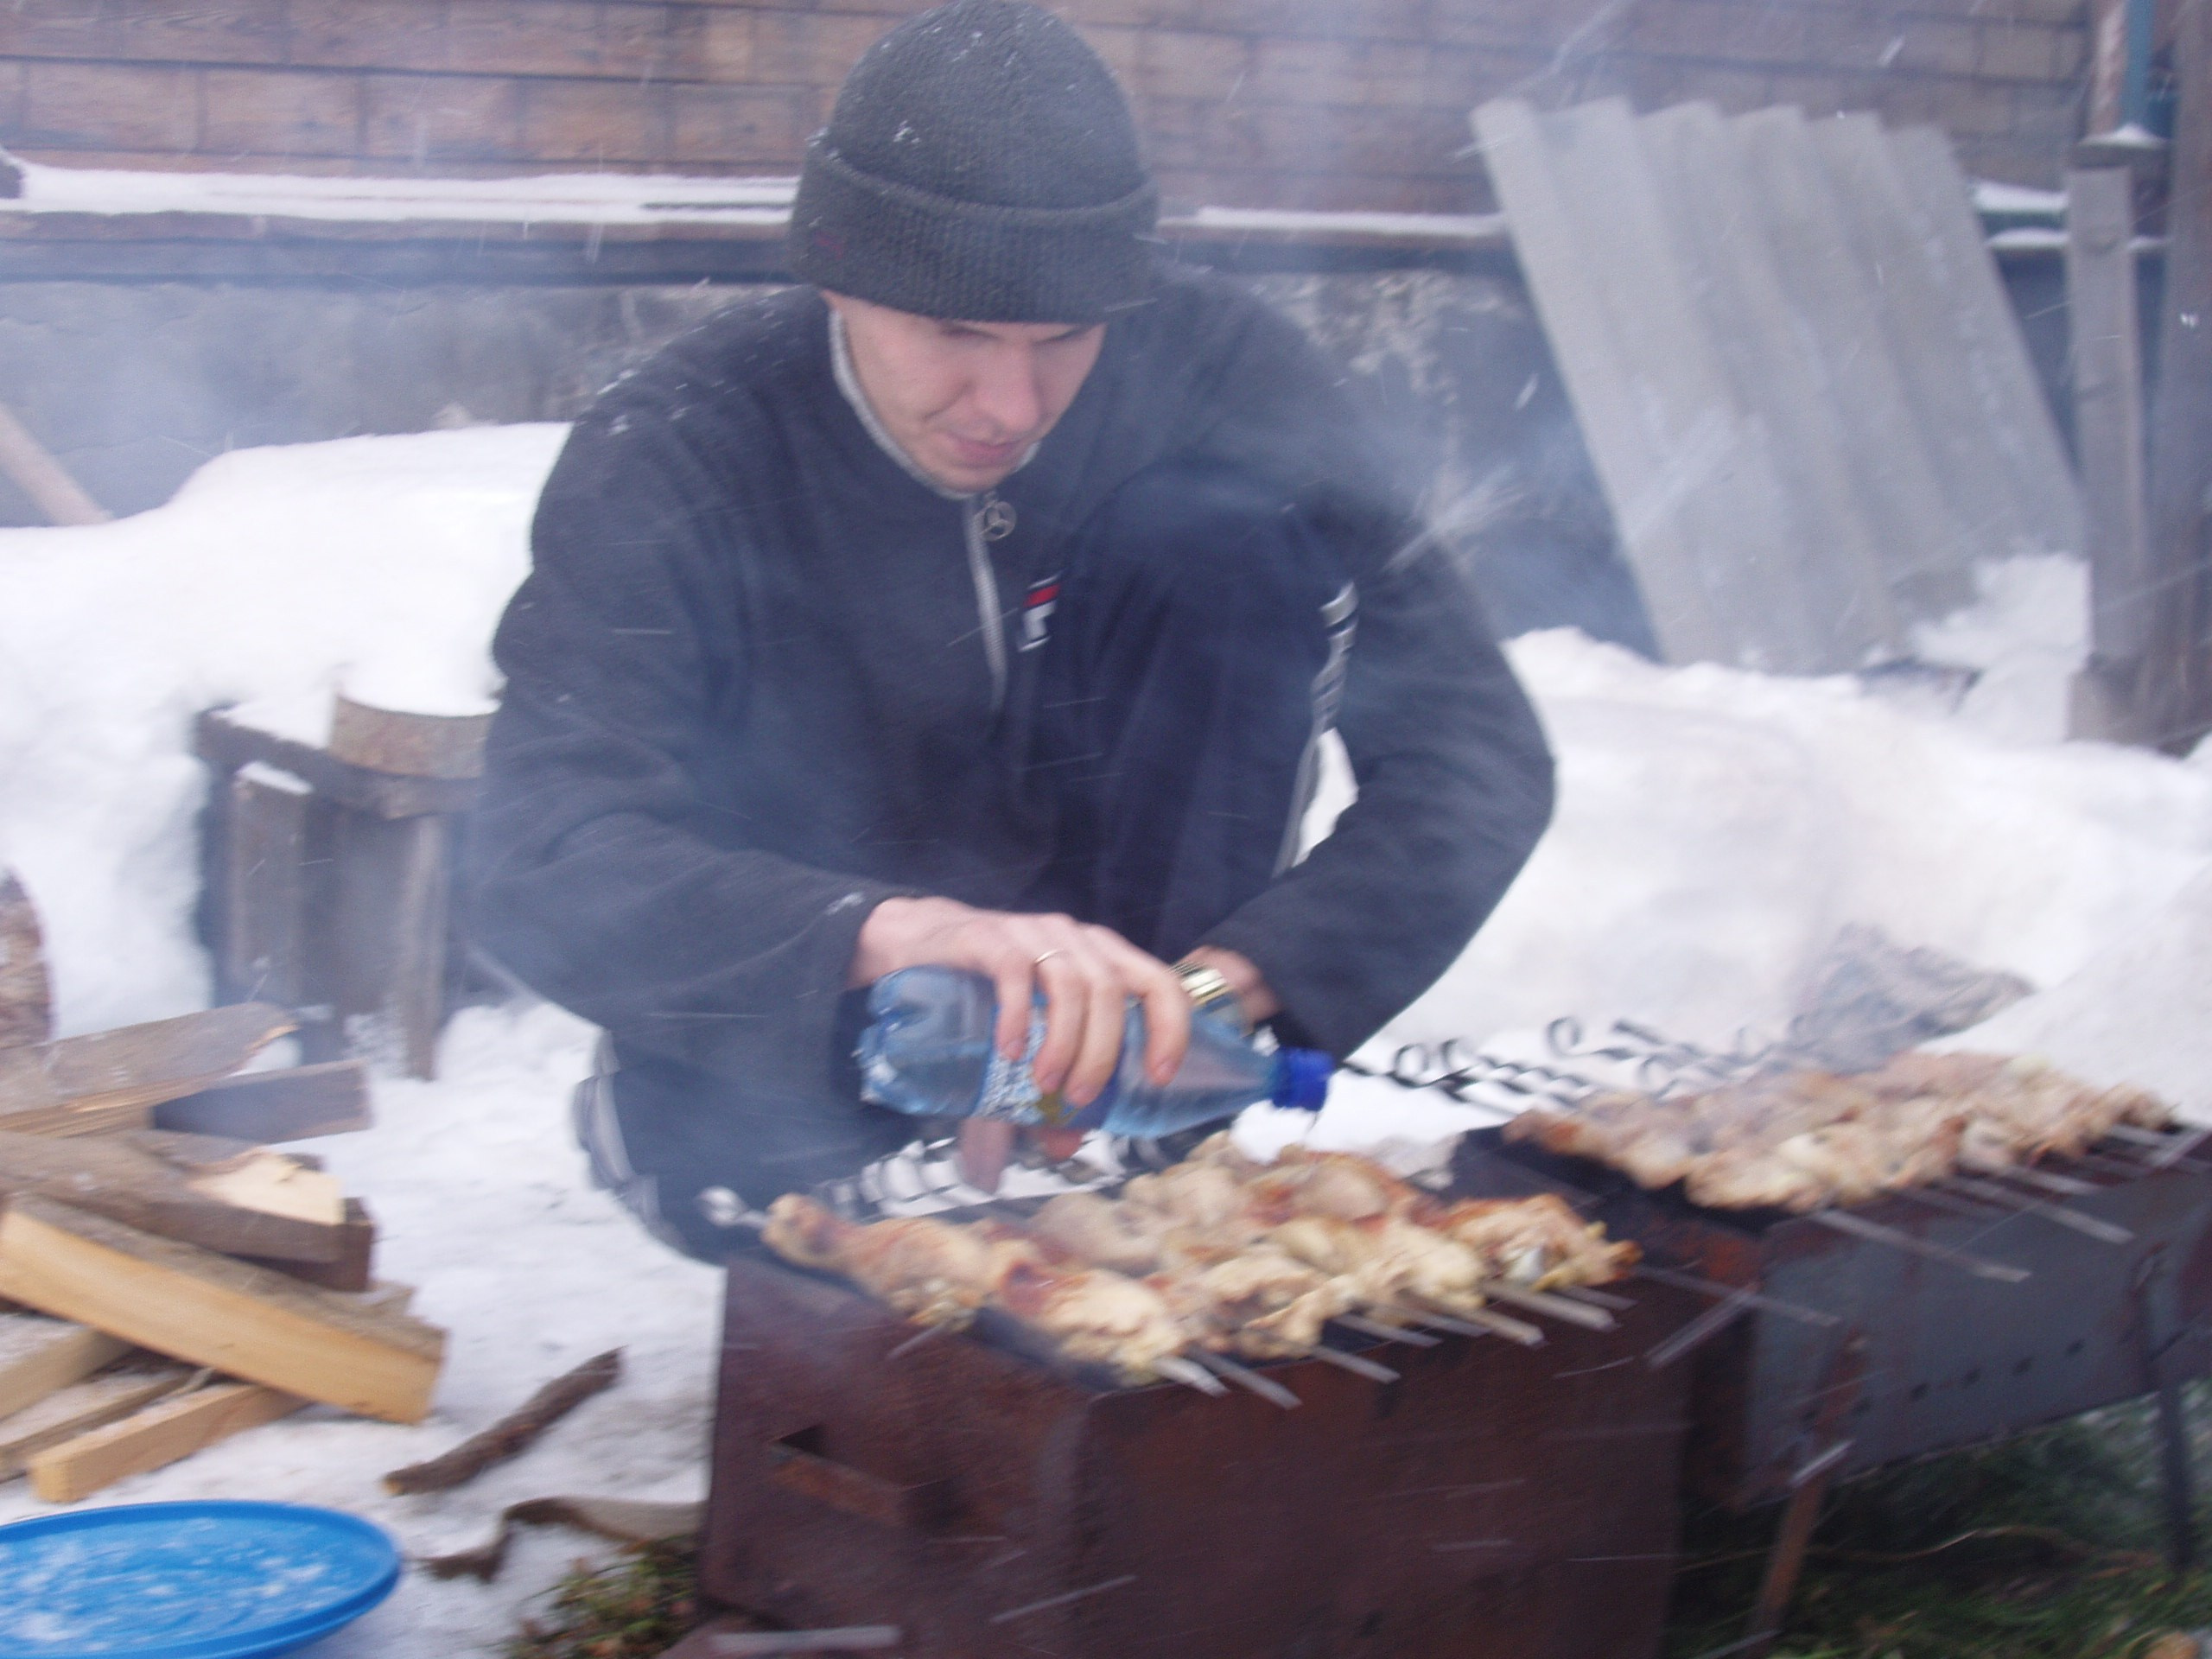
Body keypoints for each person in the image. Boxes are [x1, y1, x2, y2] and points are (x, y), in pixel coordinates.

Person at [471, 0, 1555, 1261]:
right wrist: (903, 940)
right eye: (955, 332)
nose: (1011, 404)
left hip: (1134, 1038)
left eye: (1063, 340)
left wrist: (1200, 996)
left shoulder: (1225, 374)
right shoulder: (680, 448)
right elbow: (540, 852)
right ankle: (814, 1115)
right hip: (821, 1043)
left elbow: (1477, 756)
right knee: (793, 1237)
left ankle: (1133, 1111)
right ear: (836, 274)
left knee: (1223, 538)